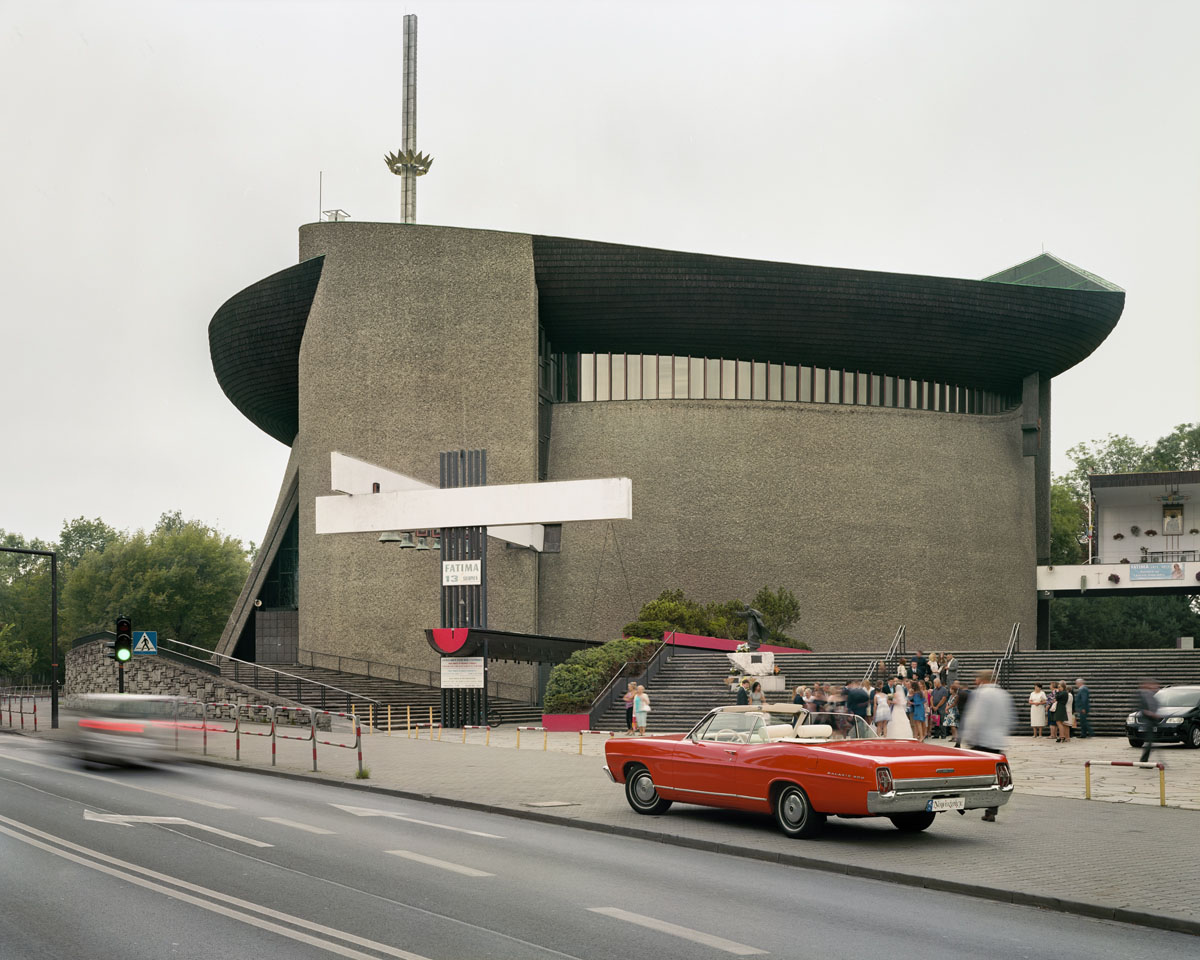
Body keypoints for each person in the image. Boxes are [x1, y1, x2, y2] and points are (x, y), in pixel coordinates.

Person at [959, 670, 1014, 822]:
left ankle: (964, 800)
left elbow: (976, 717)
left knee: (970, 771)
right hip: (997, 739)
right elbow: (1009, 718)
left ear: (982, 680)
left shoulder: (981, 694)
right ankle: (992, 809)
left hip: (981, 739)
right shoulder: (1003, 694)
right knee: (996, 775)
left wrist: (968, 736)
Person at [1137, 679, 1161, 763]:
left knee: (1150, 743)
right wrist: (1152, 714)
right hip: (1147, 721)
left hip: (1151, 721)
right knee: (1149, 742)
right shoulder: (1145, 695)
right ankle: (1143, 761)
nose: (1156, 688)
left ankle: (1144, 760)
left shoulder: (1150, 695)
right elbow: (1143, 709)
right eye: (1154, 686)